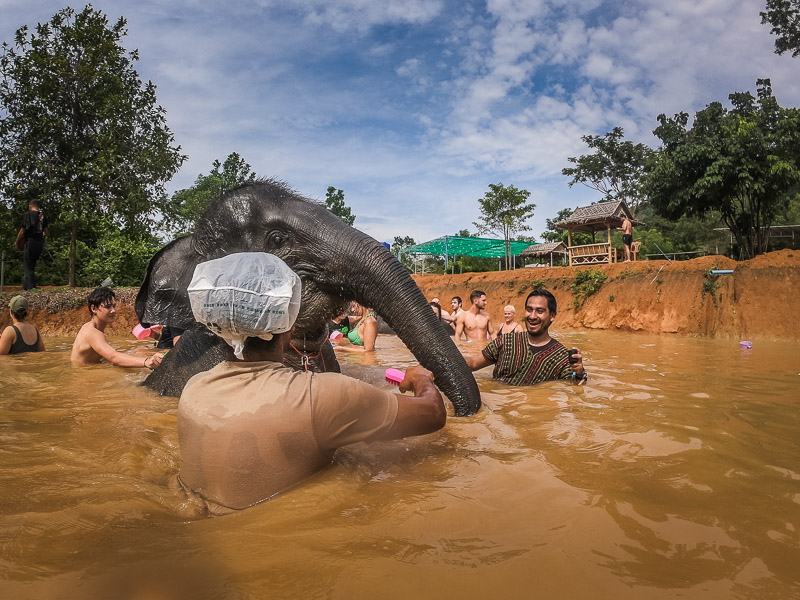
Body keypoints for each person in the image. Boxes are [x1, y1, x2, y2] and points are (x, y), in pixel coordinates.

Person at [177, 252, 446, 512]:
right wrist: (420, 378)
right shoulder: (323, 395)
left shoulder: (193, 389)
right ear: (291, 324)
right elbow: (432, 413)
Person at [462, 289, 587, 385]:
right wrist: (446, 358)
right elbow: (472, 363)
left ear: (552, 315)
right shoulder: (506, 341)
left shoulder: (561, 357)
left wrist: (580, 373)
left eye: (540, 311)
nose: (532, 316)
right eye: (529, 310)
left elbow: (575, 387)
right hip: (500, 412)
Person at [71, 287, 164, 368]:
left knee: (139, 352)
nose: (113, 311)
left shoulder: (90, 327)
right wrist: (147, 362)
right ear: (94, 308)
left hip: (86, 368)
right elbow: (113, 356)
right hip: (83, 374)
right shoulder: (93, 333)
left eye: (114, 306)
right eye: (108, 307)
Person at [15, 199, 48, 290]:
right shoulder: (42, 216)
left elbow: (22, 231)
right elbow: (46, 232)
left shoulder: (28, 215)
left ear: (30, 206)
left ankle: (30, 288)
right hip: (39, 243)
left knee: (28, 266)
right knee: (31, 266)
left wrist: (17, 242)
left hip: (30, 241)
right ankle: (25, 287)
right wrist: (40, 237)